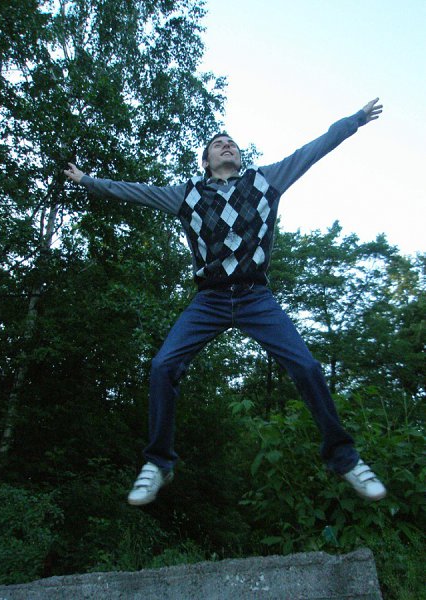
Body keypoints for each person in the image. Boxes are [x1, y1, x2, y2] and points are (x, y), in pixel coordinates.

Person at [65, 98, 387, 506]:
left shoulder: (265, 181)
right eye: (218, 144)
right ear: (206, 161)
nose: (227, 145)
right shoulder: (187, 195)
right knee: (163, 366)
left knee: (306, 366)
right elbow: (136, 192)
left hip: (256, 298)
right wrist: (88, 181)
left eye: (231, 142)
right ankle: (159, 462)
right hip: (210, 300)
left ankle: (344, 458)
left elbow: (313, 150)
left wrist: (355, 121)